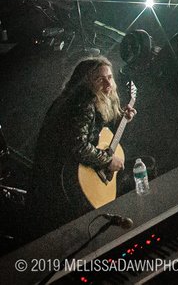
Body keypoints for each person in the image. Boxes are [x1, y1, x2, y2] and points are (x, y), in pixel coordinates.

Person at [30, 57, 137, 231]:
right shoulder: (83, 104)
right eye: (99, 79)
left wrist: (121, 120)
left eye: (109, 77)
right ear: (85, 82)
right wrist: (108, 161)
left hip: (55, 177)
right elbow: (77, 146)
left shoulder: (76, 99)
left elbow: (86, 135)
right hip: (58, 183)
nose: (108, 84)